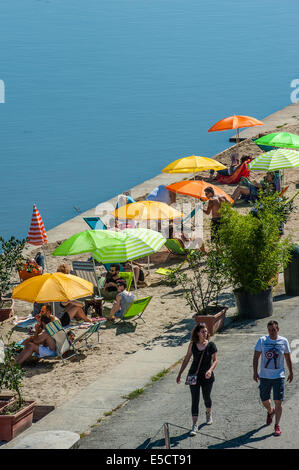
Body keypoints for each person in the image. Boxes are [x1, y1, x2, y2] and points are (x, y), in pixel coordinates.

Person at [253, 320, 293, 437]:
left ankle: (277, 425)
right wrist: (255, 372)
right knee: (264, 400)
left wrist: (291, 372)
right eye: (269, 330)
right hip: (264, 376)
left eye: (274, 330)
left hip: (278, 376)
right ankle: (271, 411)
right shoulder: (262, 340)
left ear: (278, 329)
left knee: (278, 402)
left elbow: (287, 357)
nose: (271, 332)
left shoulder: (284, 341)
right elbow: (256, 357)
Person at [176, 323, 218, 435]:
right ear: (197, 333)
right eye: (202, 331)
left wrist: (210, 370)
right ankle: (195, 425)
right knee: (195, 399)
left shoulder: (211, 345)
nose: (205, 333)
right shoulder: (192, 345)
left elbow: (215, 360)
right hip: (193, 376)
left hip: (207, 376)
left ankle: (208, 413)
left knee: (206, 397)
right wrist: (180, 373)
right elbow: (186, 359)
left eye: (206, 331)